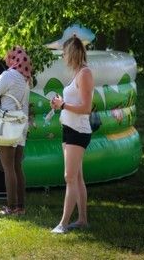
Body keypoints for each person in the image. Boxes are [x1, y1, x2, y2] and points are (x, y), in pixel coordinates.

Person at [50, 36, 94, 234]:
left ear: (73, 53)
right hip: (69, 129)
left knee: (69, 177)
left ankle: (63, 223)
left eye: (64, 53)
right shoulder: (77, 73)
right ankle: (82, 219)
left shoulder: (85, 73)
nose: (63, 56)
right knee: (77, 177)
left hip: (78, 131)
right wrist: (61, 103)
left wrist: (64, 105)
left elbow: (86, 108)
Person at [0, 46, 32, 215]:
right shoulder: (25, 78)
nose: (5, 57)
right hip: (20, 126)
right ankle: (21, 206)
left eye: (8, 55)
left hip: (6, 126)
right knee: (17, 166)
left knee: (8, 167)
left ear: (14, 58)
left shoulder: (8, 75)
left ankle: (11, 207)